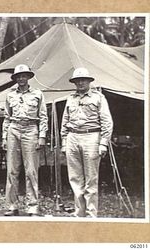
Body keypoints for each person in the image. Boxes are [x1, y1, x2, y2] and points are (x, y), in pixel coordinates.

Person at [60, 67, 113, 218]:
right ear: (74, 83)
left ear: (89, 81)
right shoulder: (70, 98)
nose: (80, 83)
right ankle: (79, 213)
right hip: (72, 137)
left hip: (91, 137)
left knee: (91, 178)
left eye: (83, 80)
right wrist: (64, 141)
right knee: (75, 178)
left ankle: (91, 215)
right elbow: (65, 120)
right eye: (77, 80)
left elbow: (107, 122)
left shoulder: (98, 98)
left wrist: (103, 143)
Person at [2, 64, 48, 216]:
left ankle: (32, 206)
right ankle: (12, 206)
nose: (21, 79)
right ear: (15, 79)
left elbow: (43, 117)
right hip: (13, 129)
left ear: (28, 77)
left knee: (31, 171)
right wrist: (4, 137)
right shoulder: (10, 95)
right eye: (18, 76)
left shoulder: (37, 94)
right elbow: (7, 117)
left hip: (31, 129)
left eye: (24, 76)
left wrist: (42, 136)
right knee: (12, 170)